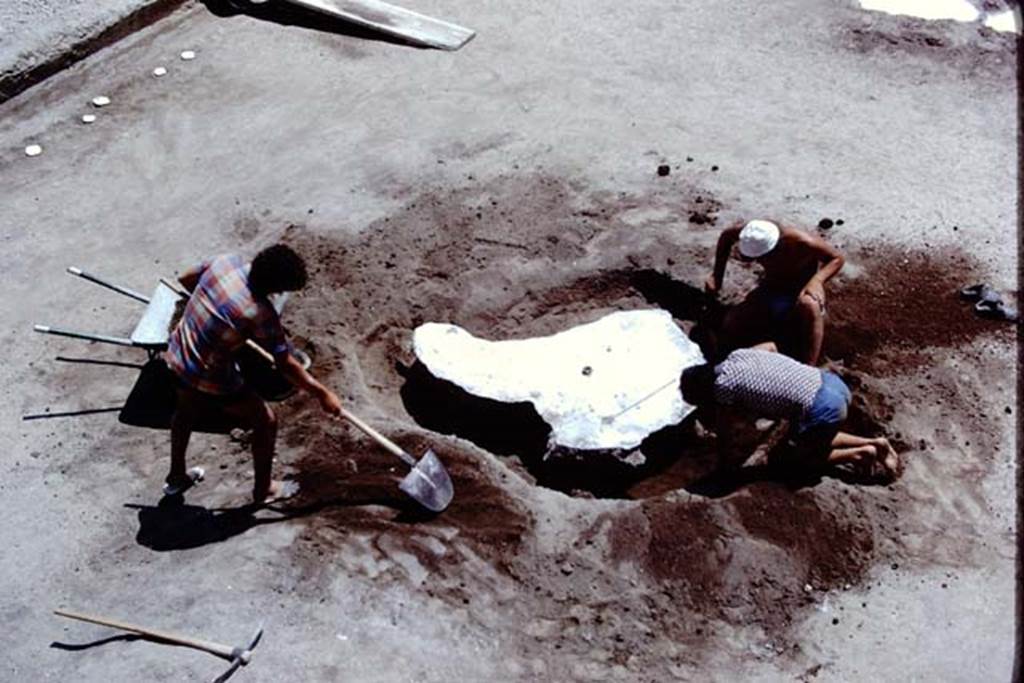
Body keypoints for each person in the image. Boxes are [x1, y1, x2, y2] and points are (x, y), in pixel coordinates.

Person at [164, 245, 343, 503]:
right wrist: (323, 394)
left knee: (185, 410)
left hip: (178, 354)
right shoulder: (260, 313)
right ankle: (264, 489)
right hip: (207, 374)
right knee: (265, 421)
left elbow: (185, 279)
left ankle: (176, 476)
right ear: (275, 288)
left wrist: (215, 310)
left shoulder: (226, 262)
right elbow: (286, 364)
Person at [679, 343, 899, 480]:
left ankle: (861, 453)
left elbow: (727, 430)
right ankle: (878, 443)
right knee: (819, 436)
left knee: (792, 458)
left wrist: (725, 462)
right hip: (831, 383)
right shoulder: (737, 355)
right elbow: (772, 347)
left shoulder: (722, 388)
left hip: (821, 408)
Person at [704, 219, 844, 365]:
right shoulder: (752, 232)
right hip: (772, 288)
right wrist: (717, 276)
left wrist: (817, 280)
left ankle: (809, 366)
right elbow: (726, 236)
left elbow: (837, 258)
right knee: (732, 321)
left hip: (800, 291)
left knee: (810, 304)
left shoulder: (801, 242)